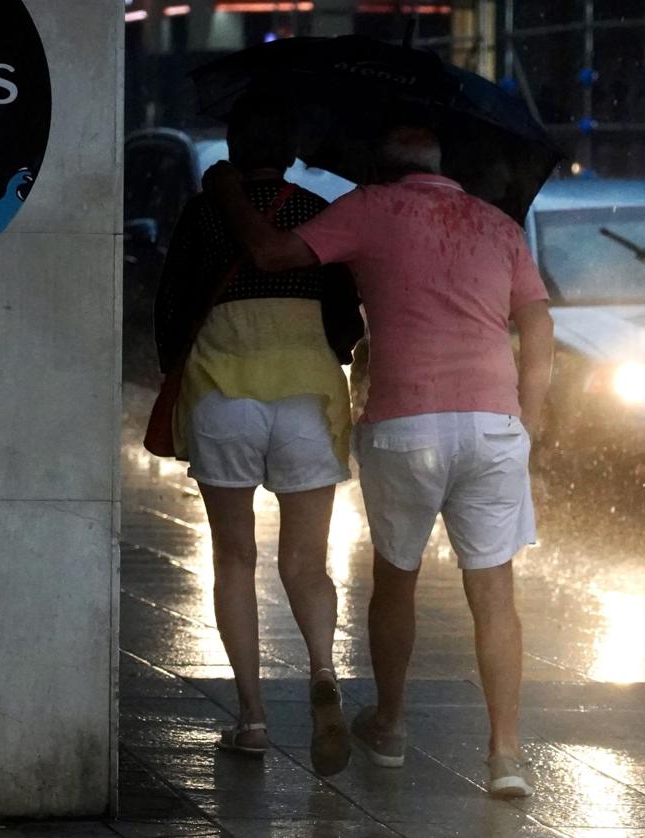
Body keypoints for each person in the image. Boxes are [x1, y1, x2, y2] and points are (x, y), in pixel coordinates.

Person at [203, 121, 555, 797]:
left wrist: (226, 189)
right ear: (441, 165)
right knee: (495, 593)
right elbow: (537, 322)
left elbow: (272, 254)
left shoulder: (369, 207)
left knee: (397, 579)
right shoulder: (495, 223)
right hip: (492, 424)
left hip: (407, 423)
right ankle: (505, 755)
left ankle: (389, 726)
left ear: (382, 167)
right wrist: (527, 419)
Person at [153, 94, 362, 777]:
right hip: (306, 395)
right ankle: (323, 669)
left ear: (233, 151)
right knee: (306, 564)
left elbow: (171, 304)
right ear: (293, 152)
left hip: (223, 391)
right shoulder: (316, 214)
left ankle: (251, 718)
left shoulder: (206, 212)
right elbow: (345, 324)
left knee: (234, 559)